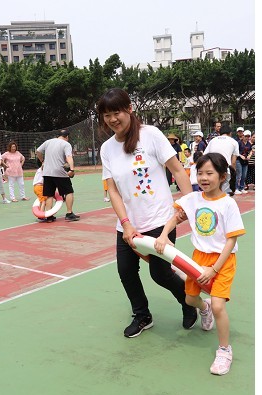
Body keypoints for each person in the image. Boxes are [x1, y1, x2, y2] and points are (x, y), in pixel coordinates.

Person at [96, 87, 198, 338]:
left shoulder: (150, 135)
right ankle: (142, 315)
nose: (112, 119)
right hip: (128, 225)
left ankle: (188, 302)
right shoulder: (107, 148)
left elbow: (177, 170)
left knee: (160, 274)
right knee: (126, 271)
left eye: (117, 112)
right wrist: (126, 224)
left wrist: (188, 205)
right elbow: (113, 190)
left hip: (160, 220)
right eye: (107, 115)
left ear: (129, 109)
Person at [154, 152, 245, 375]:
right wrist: (163, 235)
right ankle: (204, 309)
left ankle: (224, 350)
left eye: (209, 173)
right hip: (199, 257)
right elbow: (176, 218)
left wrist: (214, 269)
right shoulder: (193, 199)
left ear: (222, 176)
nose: (203, 178)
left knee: (219, 305)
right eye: (200, 173)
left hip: (223, 260)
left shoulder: (228, 204)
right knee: (190, 299)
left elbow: (231, 240)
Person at [36, 130, 80, 222]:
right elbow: (69, 157)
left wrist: (42, 161)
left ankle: (49, 215)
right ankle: (69, 213)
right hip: (60, 172)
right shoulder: (66, 144)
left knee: (49, 194)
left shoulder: (48, 142)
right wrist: (72, 169)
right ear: (66, 137)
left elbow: (38, 151)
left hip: (47, 172)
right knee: (68, 191)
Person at [203, 124, 239, 196]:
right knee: (224, 192)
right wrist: (233, 173)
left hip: (212, 168)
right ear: (230, 133)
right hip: (225, 169)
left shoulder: (213, 140)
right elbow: (233, 162)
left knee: (212, 190)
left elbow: (205, 155)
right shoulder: (234, 142)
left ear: (220, 133)